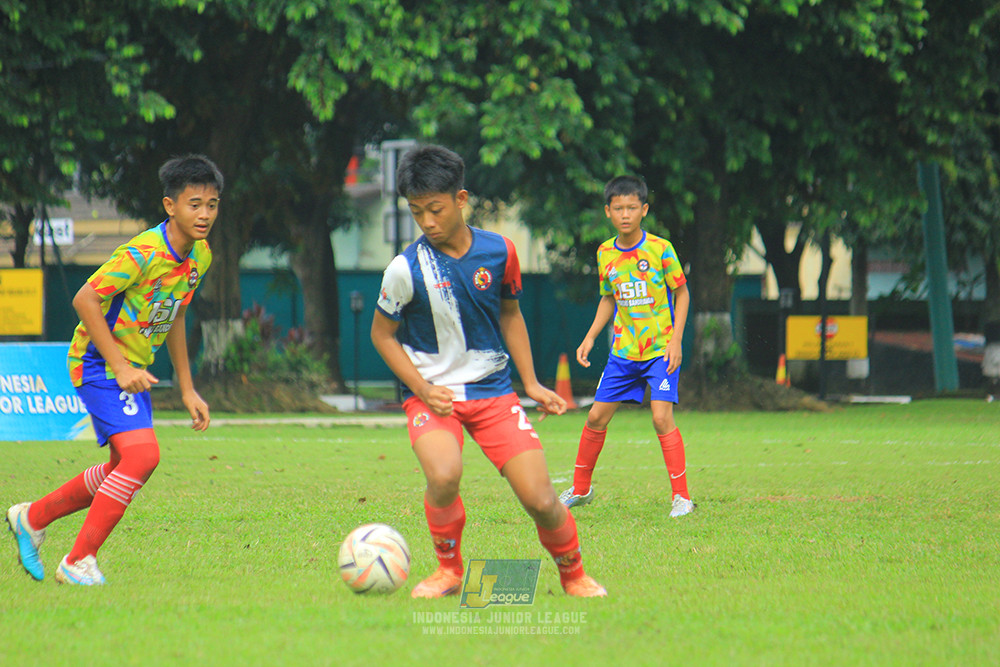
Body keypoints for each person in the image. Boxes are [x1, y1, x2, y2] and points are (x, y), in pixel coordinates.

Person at [371, 144, 607, 598]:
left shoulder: (500, 252)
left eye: (435, 210)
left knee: (540, 498)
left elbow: (510, 315)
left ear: (461, 199)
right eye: (417, 213)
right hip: (430, 395)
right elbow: (382, 336)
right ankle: (448, 570)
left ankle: (574, 575)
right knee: (443, 475)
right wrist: (421, 387)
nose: (428, 222)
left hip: (493, 393)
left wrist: (533, 383)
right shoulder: (403, 269)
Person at [6, 154, 223, 585]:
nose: (204, 214)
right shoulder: (142, 253)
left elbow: (176, 314)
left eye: (213, 204)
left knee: (120, 467)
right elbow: (85, 299)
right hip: (98, 363)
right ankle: (78, 560)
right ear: (170, 206)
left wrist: (187, 389)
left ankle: (33, 517)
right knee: (144, 456)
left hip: (132, 369)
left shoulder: (200, 255)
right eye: (194, 203)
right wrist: (120, 366)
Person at [559, 175, 694, 518]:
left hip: (660, 352)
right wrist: (590, 336)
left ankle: (682, 498)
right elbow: (609, 298)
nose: (625, 214)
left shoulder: (661, 249)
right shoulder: (605, 252)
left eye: (632, 208)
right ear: (607, 211)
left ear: (644, 210)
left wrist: (676, 340)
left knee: (661, 417)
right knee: (595, 417)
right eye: (618, 208)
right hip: (623, 354)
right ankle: (581, 488)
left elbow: (682, 293)